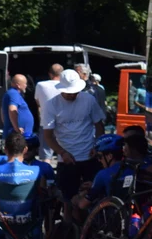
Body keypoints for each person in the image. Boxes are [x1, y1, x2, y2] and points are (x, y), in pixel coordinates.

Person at [41, 68, 106, 211]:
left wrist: (97, 146)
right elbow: (48, 135)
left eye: (75, 92)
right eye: (69, 92)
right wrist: (62, 153)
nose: (72, 95)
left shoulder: (88, 99)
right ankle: (69, 227)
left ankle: (92, 227)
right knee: (68, 199)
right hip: (67, 159)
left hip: (90, 155)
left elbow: (99, 126)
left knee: (94, 195)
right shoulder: (51, 105)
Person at [72, 134, 128, 213]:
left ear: (109, 156)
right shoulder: (134, 168)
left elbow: (83, 204)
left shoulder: (103, 174)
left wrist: (76, 199)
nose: (99, 160)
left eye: (99, 156)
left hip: (113, 218)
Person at [34, 64, 63, 161]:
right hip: (63, 122)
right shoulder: (65, 86)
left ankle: (46, 174)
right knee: (64, 150)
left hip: (46, 121)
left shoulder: (41, 85)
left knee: (46, 153)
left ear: (50, 74)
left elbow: (38, 103)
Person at [2, 74, 35, 143]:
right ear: (18, 85)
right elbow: (12, 109)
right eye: (25, 84)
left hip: (18, 135)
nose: (26, 86)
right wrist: (16, 128)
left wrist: (7, 124)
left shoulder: (12, 93)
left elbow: (2, 111)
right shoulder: (14, 93)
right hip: (18, 137)